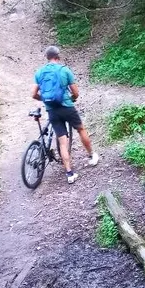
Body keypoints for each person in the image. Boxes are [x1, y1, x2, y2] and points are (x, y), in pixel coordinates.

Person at [32, 45, 99, 184]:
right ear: (58, 56)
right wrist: (73, 98)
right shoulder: (64, 70)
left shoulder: (39, 72)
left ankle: (69, 173)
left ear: (47, 57)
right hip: (66, 107)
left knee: (63, 142)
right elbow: (76, 92)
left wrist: (44, 99)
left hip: (52, 110)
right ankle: (92, 155)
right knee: (81, 129)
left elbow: (33, 94)